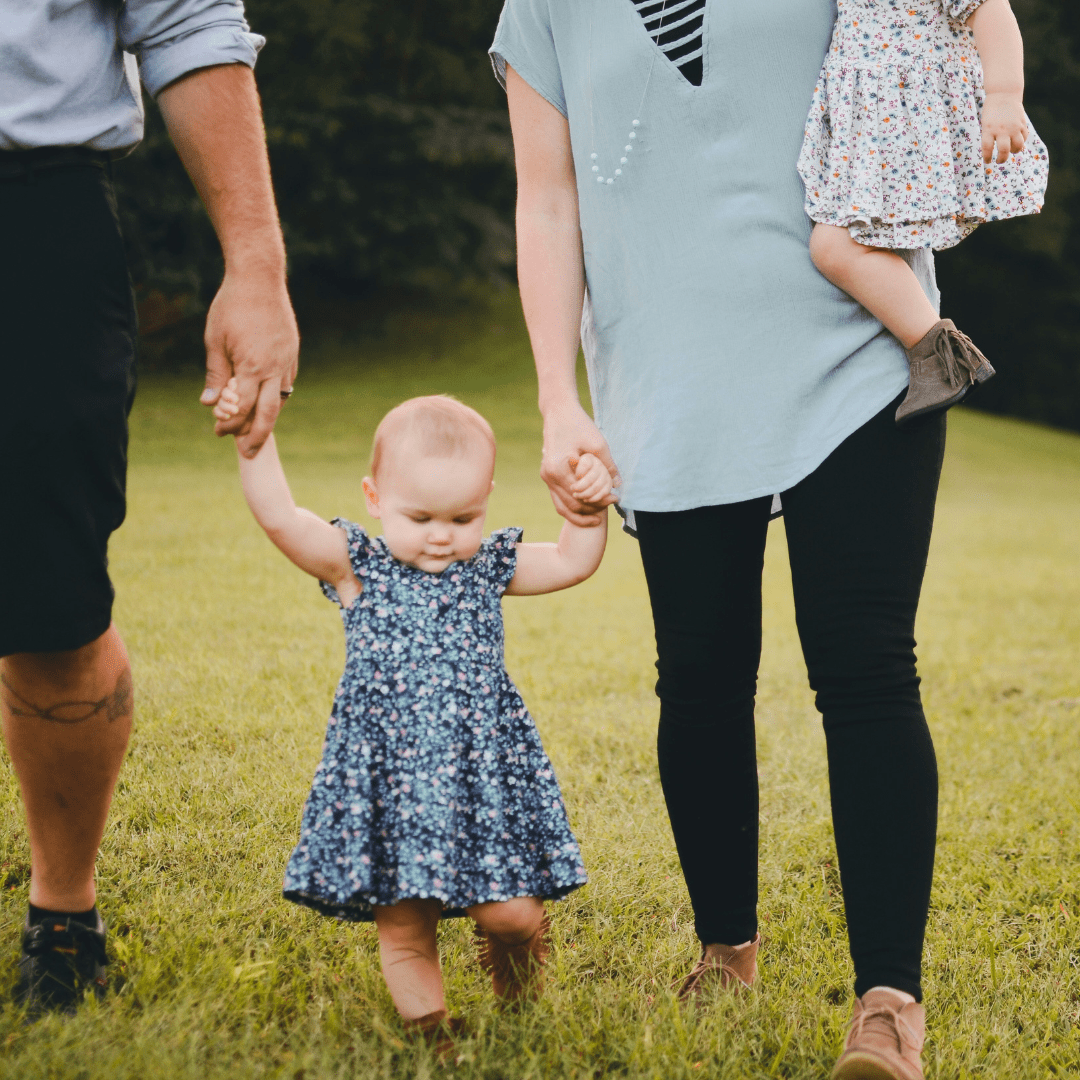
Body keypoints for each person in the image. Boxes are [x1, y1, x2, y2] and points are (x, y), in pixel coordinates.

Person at [491, 1, 959, 1077]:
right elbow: (548, 201)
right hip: (669, 382)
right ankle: (726, 949)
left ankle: (889, 1004)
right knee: (699, 678)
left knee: (870, 670)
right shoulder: (543, 10)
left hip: (858, 358)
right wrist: (559, 402)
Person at [1, 0, 298, 1015]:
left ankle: (63, 920)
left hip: (29, 220)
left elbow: (188, 23)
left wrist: (256, 266)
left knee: (51, 607)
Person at [215, 388, 603, 1050]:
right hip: (389, 779)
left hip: (480, 776)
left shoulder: (485, 567)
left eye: (463, 515)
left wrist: (588, 508)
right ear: (374, 498)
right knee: (405, 923)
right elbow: (283, 520)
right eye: (420, 515)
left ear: (486, 498)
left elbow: (572, 561)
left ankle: (517, 979)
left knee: (510, 912)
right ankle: (431, 1035)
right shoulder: (357, 566)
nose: (442, 534)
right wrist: (257, 447)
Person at [799, 0, 1048, 424]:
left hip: (909, 121)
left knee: (834, 246)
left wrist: (1004, 95)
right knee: (835, 246)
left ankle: (941, 355)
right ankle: (938, 353)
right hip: (874, 118)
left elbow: (991, 10)